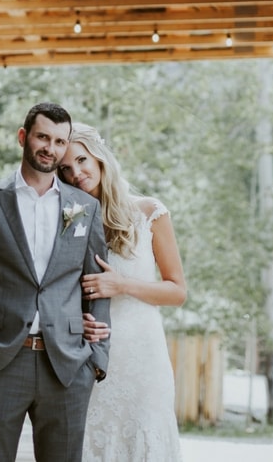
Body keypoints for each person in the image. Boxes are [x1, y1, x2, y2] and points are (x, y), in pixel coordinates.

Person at [0, 102, 111, 462]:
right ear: (24, 137)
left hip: (67, 365)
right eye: (42, 137)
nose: (49, 148)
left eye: (58, 141)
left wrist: (96, 357)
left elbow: (96, 280)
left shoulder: (84, 207)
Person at [58, 122, 187, 462]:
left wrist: (122, 285)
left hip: (143, 353)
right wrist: (76, 321)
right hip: (91, 350)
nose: (77, 173)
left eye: (82, 160)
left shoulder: (148, 212)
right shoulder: (69, 219)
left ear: (99, 158)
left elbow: (177, 291)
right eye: (66, 169)